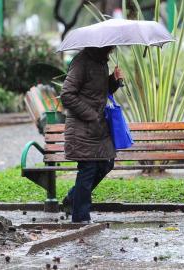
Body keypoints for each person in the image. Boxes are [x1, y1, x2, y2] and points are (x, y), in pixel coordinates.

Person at [60, 46, 124, 223]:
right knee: (87, 170)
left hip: (98, 127)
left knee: (106, 164)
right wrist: (91, 114)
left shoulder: (101, 62)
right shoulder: (82, 62)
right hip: (82, 127)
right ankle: (81, 218)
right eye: (111, 46)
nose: (113, 49)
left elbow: (100, 92)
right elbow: (66, 95)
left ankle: (73, 198)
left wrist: (114, 80)